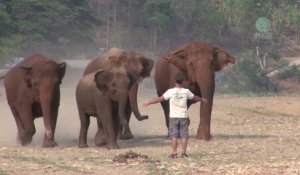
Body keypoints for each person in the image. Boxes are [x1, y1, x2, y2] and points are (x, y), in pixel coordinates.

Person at [143, 72, 207, 158]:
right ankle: (184, 153)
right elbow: (194, 97)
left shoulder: (171, 92)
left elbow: (160, 99)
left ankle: (174, 153)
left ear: (175, 81)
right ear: (183, 82)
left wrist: (149, 102)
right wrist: (202, 100)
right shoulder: (186, 91)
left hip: (173, 117)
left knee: (174, 136)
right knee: (184, 136)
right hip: (183, 116)